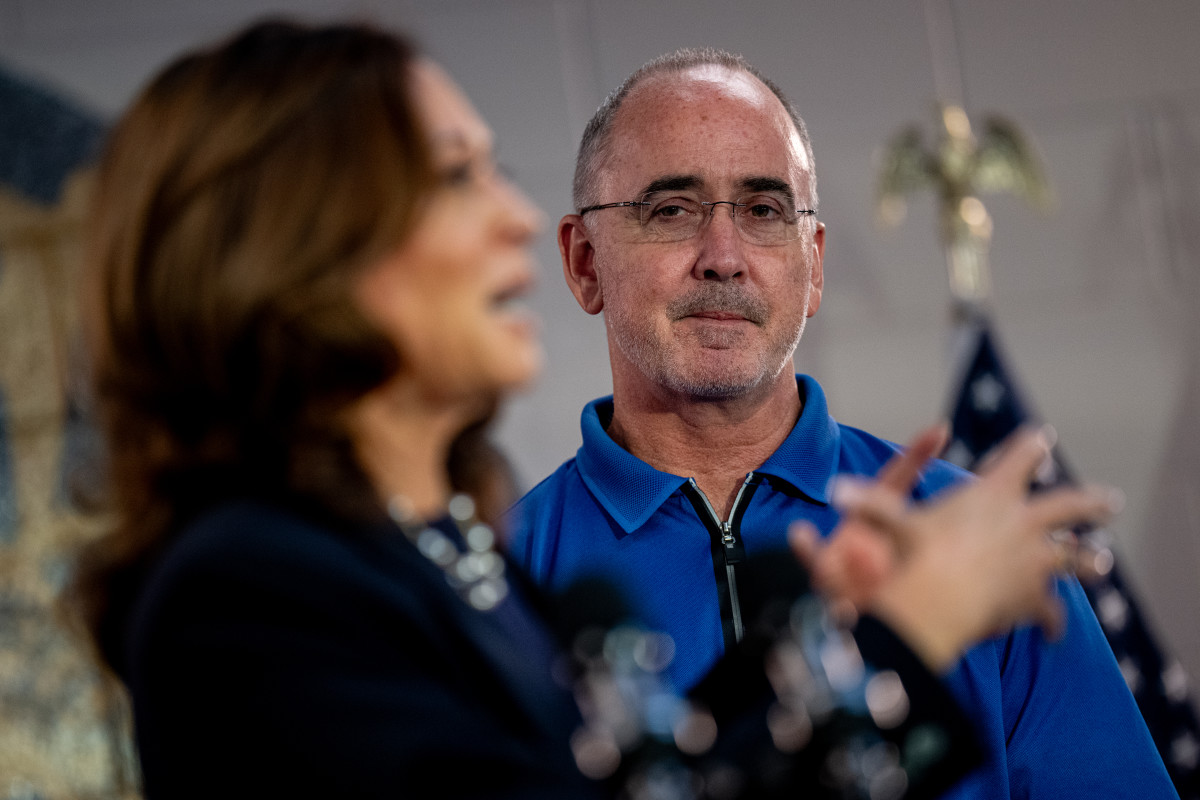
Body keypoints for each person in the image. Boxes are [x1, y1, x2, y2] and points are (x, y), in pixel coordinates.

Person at [64, 20, 1122, 800]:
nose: (517, 217)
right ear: (302, 256)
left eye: (762, 209)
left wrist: (825, 648)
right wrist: (897, 646)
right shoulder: (253, 591)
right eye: (457, 177)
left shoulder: (450, 557)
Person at [507, 47, 1179, 799]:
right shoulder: (500, 591)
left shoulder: (969, 542)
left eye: (764, 211)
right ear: (584, 263)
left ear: (814, 265)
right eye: (672, 211)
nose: (723, 257)